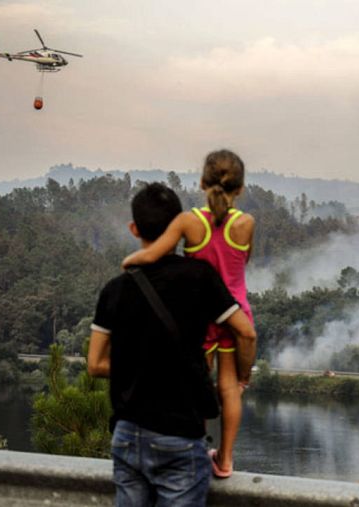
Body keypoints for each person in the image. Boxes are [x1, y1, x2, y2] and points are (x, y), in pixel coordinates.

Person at [88, 182, 257, 506]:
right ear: (179, 227)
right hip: (179, 435)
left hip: (127, 435)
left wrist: (140, 367)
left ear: (134, 228)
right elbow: (245, 332)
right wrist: (243, 374)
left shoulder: (115, 289)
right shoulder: (199, 277)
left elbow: (95, 364)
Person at [122, 149, 255, 478]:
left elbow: (153, 255)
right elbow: (243, 264)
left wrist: (127, 265)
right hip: (236, 314)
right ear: (240, 188)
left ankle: (196, 450)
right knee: (230, 387)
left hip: (197, 313)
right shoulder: (246, 224)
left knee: (198, 384)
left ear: (201, 182)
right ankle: (224, 460)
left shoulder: (188, 222)